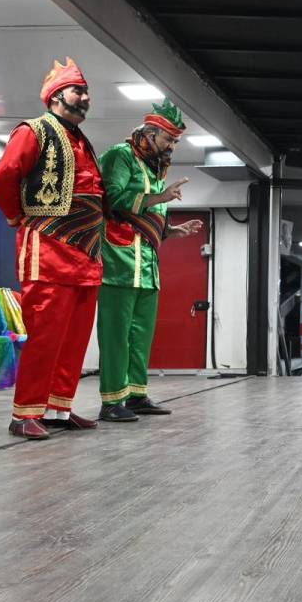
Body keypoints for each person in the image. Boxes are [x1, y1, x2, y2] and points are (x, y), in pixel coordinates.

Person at [0, 58, 105, 439]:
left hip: (86, 256)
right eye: (78, 90)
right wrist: (15, 217)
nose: (85, 98)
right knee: (46, 336)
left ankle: (57, 409)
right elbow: (3, 178)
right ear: (56, 95)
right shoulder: (33, 131)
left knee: (74, 339)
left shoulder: (81, 140)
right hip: (49, 249)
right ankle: (24, 413)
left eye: (86, 92)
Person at [95, 98, 201, 421]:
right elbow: (113, 200)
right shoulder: (120, 156)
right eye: (168, 139)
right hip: (118, 263)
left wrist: (173, 230)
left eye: (175, 142)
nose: (171, 146)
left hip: (147, 266)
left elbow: (149, 216)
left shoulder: (155, 167)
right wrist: (160, 196)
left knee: (141, 334)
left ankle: (136, 395)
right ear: (151, 132)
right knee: (116, 335)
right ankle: (111, 401)